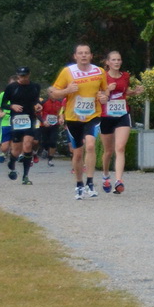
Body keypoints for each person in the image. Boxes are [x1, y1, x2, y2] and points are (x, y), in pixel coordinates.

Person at [48, 45, 107, 198]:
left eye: (86, 53)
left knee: (91, 144)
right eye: (80, 53)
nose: (83, 56)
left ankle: (90, 182)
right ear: (75, 56)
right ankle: (79, 184)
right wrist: (67, 91)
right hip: (73, 117)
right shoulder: (68, 72)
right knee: (78, 152)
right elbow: (54, 93)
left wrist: (104, 97)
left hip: (93, 115)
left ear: (91, 56)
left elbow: (105, 91)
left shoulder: (100, 72)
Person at [98, 51, 134, 194]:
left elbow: (124, 91)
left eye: (119, 60)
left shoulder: (125, 76)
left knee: (120, 148)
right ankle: (106, 175)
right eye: (113, 60)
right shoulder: (102, 77)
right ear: (107, 62)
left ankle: (119, 180)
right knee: (108, 151)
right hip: (106, 116)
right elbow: (99, 97)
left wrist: (135, 92)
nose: (117, 62)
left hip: (122, 114)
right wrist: (107, 90)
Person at [2, 68, 43, 183]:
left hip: (30, 119)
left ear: (29, 75)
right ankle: (12, 161)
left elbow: (36, 100)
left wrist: (38, 105)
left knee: (28, 145)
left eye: (25, 76)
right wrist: (12, 106)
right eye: (21, 76)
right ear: (17, 76)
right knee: (16, 149)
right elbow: (3, 104)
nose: (23, 78)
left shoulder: (35, 86)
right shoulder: (12, 87)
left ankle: (25, 176)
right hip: (16, 120)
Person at [38, 93, 64, 163]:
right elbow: (37, 113)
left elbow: (62, 112)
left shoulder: (60, 102)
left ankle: (50, 159)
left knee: (53, 141)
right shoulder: (44, 102)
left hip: (55, 124)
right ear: (49, 95)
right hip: (44, 125)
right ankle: (45, 149)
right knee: (45, 141)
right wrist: (43, 121)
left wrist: (61, 118)